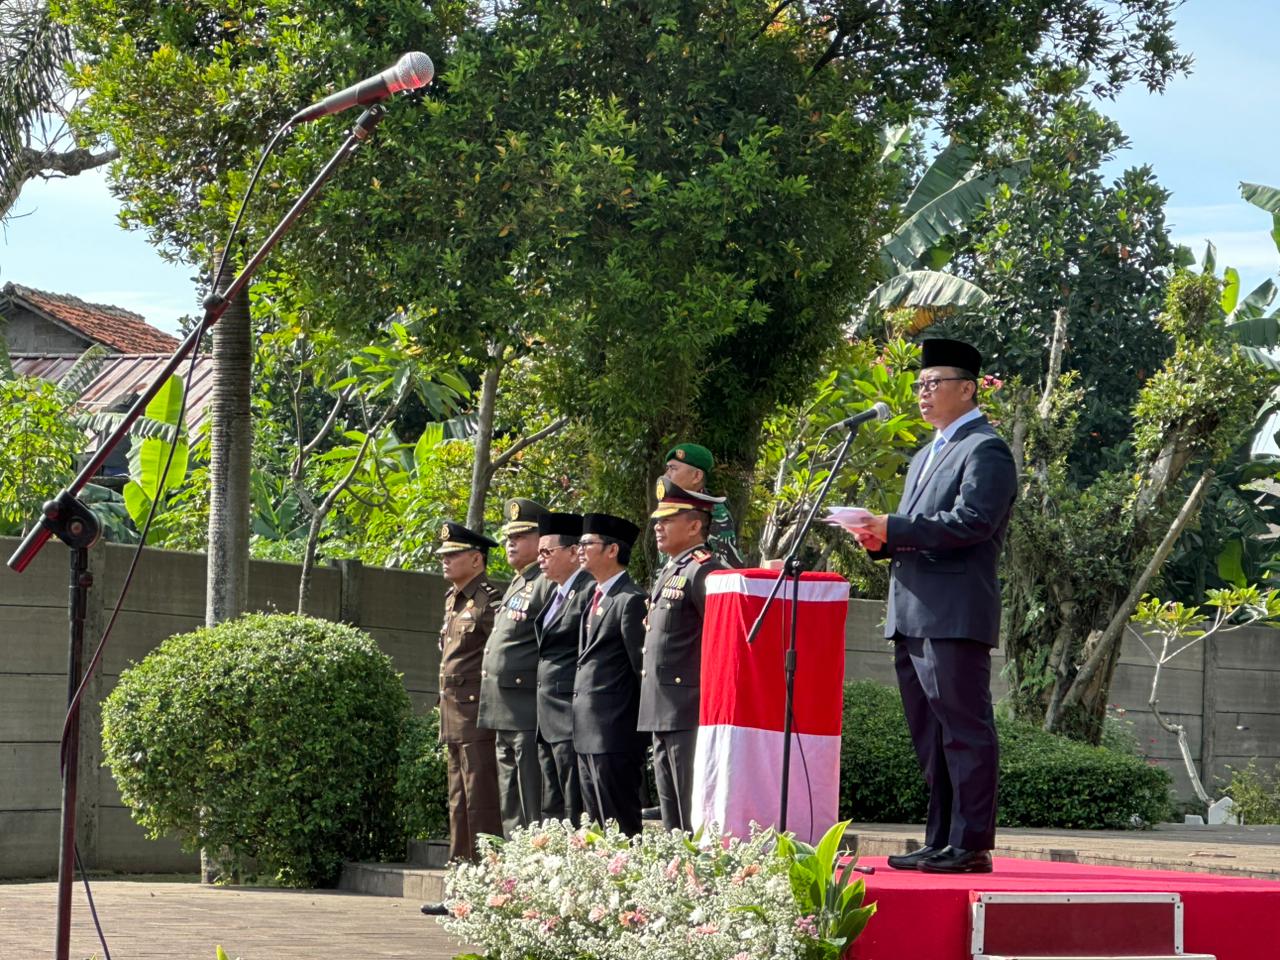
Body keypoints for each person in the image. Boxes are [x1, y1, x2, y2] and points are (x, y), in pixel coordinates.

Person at [845, 338, 1017, 875]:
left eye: (932, 384)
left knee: (964, 729)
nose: (922, 394)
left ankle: (970, 844)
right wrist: (882, 541)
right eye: (920, 385)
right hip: (912, 612)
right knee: (931, 735)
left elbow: (973, 523)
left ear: (966, 389)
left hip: (953, 613)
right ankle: (939, 838)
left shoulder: (985, 449)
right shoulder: (927, 453)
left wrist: (894, 527)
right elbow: (919, 533)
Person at [638, 476, 728, 832]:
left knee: (691, 808)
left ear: (694, 525)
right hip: (662, 706)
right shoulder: (672, 569)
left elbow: (721, 640)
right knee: (671, 812)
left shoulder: (704, 568)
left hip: (687, 705)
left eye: (668, 519)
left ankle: (697, 875)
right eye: (658, 520)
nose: (658, 526)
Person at [430, 521, 503, 897]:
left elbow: (497, 658)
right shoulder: (453, 599)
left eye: (453, 554)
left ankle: (486, 884)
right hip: (453, 713)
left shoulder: (490, 600)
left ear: (476, 559)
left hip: (477, 714)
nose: (445, 560)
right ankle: (460, 882)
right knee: (458, 799)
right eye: (443, 555)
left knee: (480, 800)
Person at [478, 497, 554, 838]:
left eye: (521, 535)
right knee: (510, 799)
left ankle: (529, 867)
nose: (511, 542)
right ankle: (513, 864)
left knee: (529, 798)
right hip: (503, 706)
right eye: (509, 535)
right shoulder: (518, 582)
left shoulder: (545, 583)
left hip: (526, 707)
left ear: (542, 540)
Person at [572, 512, 648, 836]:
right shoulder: (594, 597)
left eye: (587, 543)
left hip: (615, 731)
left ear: (612, 550)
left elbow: (639, 669)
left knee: (620, 821)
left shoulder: (630, 601)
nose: (580, 549)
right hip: (587, 729)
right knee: (597, 824)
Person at [532, 511, 593, 825]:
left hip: (570, 710)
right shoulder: (555, 592)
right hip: (548, 714)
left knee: (574, 801)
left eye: (546, 552)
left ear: (573, 553)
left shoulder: (587, 590)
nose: (540, 560)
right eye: (538, 553)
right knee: (552, 802)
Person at [662, 442, 745, 568]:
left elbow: (726, 566)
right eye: (667, 468)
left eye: (673, 468)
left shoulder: (714, 510)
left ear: (696, 476)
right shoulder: (668, 506)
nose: (666, 475)